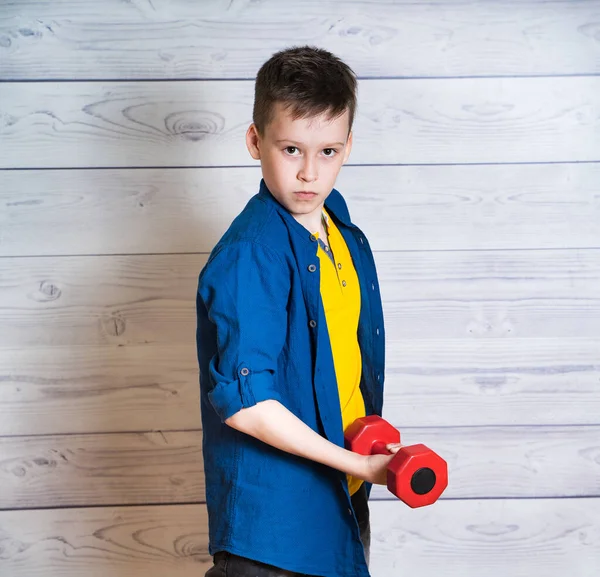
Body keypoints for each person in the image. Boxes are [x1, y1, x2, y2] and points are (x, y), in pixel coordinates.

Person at [196, 45, 401, 577]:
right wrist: (359, 464)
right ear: (254, 140)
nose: (309, 173)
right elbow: (247, 405)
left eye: (328, 151)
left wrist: (367, 447)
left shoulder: (339, 230)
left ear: (348, 146)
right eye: (291, 149)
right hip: (273, 530)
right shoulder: (251, 253)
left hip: (341, 498)